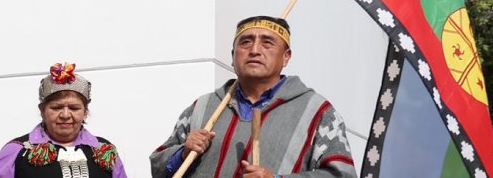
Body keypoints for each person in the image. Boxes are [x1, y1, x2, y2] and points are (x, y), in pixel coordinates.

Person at [148, 16, 357, 178]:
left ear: (286, 57)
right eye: (246, 42)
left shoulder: (317, 114)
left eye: (267, 43)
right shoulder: (202, 107)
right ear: (232, 56)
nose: (255, 50)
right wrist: (183, 154)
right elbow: (158, 167)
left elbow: (342, 175)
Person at [0, 63, 129, 178]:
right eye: (56, 108)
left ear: (85, 112)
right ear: (42, 111)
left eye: (74, 108)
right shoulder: (18, 150)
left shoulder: (104, 149)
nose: (65, 115)